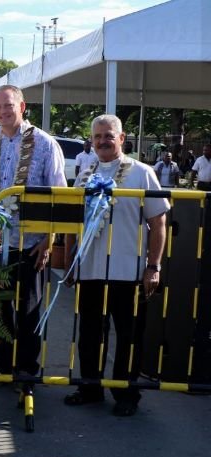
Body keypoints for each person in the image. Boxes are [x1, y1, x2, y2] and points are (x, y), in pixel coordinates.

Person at [65, 114, 168, 417]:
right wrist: (70, 261)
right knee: (90, 333)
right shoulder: (85, 174)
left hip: (128, 271)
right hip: (90, 269)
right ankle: (90, 387)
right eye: (97, 137)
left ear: (122, 138)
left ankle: (126, 393)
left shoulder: (142, 173)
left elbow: (158, 223)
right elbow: (73, 223)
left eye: (109, 136)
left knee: (128, 336)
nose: (102, 142)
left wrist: (154, 266)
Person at [0, 85, 67, 379]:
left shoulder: (45, 143)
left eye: (8, 106)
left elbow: (59, 195)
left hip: (32, 244)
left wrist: (50, 240)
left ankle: (26, 371)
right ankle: (2, 365)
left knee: (28, 310)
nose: (2, 112)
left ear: (22, 107)